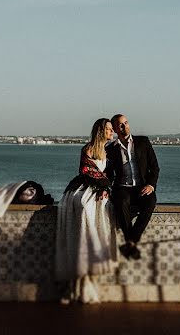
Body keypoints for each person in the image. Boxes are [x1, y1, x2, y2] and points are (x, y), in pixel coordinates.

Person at [55, 118, 117, 304]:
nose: (111, 131)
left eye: (111, 129)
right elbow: (87, 171)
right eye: (108, 129)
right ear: (100, 131)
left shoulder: (111, 150)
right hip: (87, 187)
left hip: (101, 189)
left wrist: (106, 188)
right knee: (83, 206)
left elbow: (112, 175)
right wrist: (104, 185)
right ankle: (77, 284)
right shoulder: (88, 149)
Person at [105, 113, 159, 260]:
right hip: (122, 187)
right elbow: (108, 174)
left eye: (126, 123)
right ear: (115, 129)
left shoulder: (143, 142)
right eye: (121, 125)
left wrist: (151, 185)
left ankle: (130, 241)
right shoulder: (110, 149)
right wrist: (103, 189)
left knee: (150, 202)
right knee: (121, 202)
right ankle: (132, 243)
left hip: (142, 186)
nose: (125, 127)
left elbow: (154, 167)